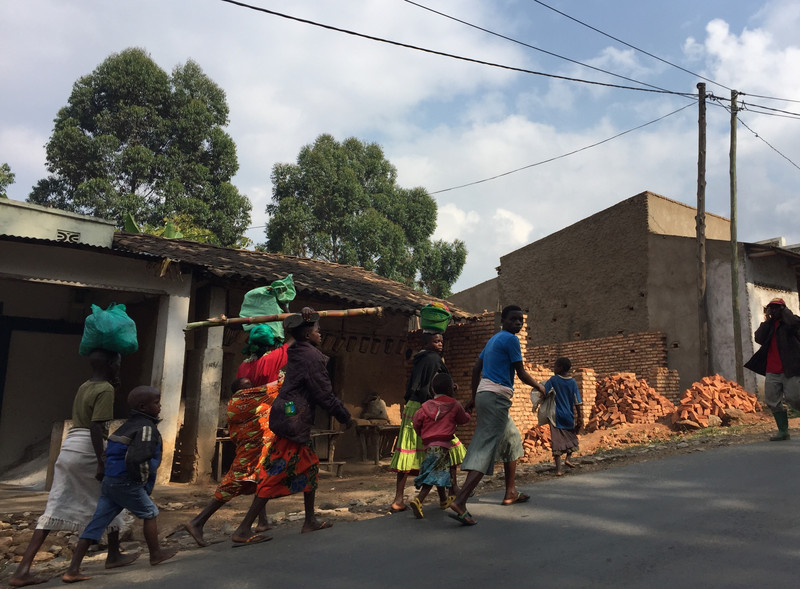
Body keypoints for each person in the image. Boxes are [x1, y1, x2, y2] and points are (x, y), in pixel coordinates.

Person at [10, 350, 134, 587]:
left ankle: (23, 569)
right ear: (111, 364)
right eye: (118, 362)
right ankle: (82, 565)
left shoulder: (85, 385)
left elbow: (87, 416)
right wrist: (101, 459)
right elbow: (97, 426)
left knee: (56, 505)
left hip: (70, 447)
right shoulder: (105, 390)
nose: (120, 366)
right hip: (89, 449)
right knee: (110, 501)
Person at [230, 311, 354, 545]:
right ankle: (244, 528)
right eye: (317, 329)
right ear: (308, 333)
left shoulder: (296, 351)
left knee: (310, 469)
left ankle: (309, 521)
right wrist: (345, 417)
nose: (320, 332)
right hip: (293, 421)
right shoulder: (312, 357)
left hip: (288, 416)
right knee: (275, 473)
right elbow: (324, 395)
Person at [62, 386, 177, 583]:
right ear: (143, 406)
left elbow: (110, 453)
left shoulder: (125, 426)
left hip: (110, 481)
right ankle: (156, 553)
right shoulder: (147, 429)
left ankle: (72, 569)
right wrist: (140, 483)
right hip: (126, 481)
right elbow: (138, 459)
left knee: (97, 522)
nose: (160, 406)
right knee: (150, 512)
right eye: (156, 403)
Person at [449, 305, 546, 526]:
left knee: (511, 439)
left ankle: (510, 491)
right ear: (502, 320)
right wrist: (540, 386)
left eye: (521, 320)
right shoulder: (511, 340)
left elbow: (476, 369)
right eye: (513, 319)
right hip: (496, 398)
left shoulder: (493, 340)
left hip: (486, 395)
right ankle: (461, 501)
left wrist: (474, 397)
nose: (518, 324)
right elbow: (520, 372)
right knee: (486, 448)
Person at [182, 377, 276, 546]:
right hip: (249, 452)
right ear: (238, 391)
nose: (250, 388)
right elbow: (275, 387)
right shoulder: (240, 402)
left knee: (260, 483)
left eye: (250, 385)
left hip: (260, 451)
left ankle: (262, 522)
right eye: (245, 386)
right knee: (232, 484)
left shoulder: (254, 401)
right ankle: (198, 522)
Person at [389, 332, 465, 512]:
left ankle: (399, 499)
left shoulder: (421, 358)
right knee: (449, 446)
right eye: (435, 341)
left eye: (441, 341)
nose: (440, 344)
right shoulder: (433, 359)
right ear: (427, 343)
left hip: (413, 408)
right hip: (427, 408)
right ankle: (453, 490)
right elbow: (429, 387)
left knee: (408, 452)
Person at [409, 374, 471, 519]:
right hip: (443, 446)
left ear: (432, 390)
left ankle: (443, 500)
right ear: (451, 389)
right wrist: (469, 412)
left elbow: (416, 422)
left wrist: (422, 434)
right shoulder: (454, 405)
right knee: (435, 473)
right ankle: (419, 500)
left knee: (439, 472)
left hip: (429, 446)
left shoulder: (425, 407)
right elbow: (463, 419)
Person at [744, 297, 800, 441]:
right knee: (772, 401)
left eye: (777, 308)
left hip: (790, 369)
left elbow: (795, 323)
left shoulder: (790, 323)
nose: (773, 310)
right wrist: (768, 319)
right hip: (772, 370)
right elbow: (758, 338)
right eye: (771, 308)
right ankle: (783, 431)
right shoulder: (769, 325)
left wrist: (784, 311)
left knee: (795, 399)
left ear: (783, 309)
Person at [543, 357, 583, 475]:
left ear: (560, 368)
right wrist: (580, 416)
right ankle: (568, 459)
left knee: (557, 441)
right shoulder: (573, 382)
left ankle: (559, 469)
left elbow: (545, 392)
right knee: (571, 436)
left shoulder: (554, 380)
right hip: (569, 415)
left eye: (555, 366)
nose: (554, 368)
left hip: (556, 415)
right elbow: (577, 401)